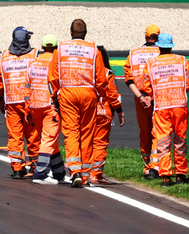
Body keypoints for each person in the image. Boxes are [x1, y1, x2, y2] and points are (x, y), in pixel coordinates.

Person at [49, 18, 112, 187]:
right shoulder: (94, 49)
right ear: (85, 33)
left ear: (70, 32)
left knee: (71, 132)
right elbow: (101, 78)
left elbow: (53, 77)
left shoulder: (60, 49)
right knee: (87, 133)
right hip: (89, 93)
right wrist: (100, 95)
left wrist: (54, 96)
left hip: (68, 92)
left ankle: (75, 171)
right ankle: (84, 174)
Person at [137, 32, 189, 186]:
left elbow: (144, 86)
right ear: (171, 46)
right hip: (180, 105)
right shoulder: (182, 61)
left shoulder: (151, 63)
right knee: (180, 140)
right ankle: (181, 174)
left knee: (163, 141)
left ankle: (166, 177)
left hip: (161, 107)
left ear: (158, 46)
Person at [0, 27, 38, 179]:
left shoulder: (4, 56)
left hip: (11, 101)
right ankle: (34, 165)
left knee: (15, 135)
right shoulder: (34, 54)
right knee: (33, 134)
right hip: (30, 101)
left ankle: (17, 168)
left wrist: (0, 99)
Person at [27, 34, 69, 185]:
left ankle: (58, 172)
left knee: (51, 140)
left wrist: (27, 108)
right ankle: (40, 173)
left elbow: (27, 85)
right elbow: (58, 82)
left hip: (34, 105)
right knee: (49, 138)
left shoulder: (33, 62)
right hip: (50, 105)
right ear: (56, 47)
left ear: (43, 46)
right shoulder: (57, 61)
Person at [123, 24, 163, 176]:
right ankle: (155, 164)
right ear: (157, 37)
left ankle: (147, 165)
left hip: (140, 98)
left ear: (145, 36)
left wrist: (141, 96)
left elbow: (128, 79)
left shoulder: (133, 54)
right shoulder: (162, 53)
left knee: (145, 131)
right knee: (157, 130)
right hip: (158, 98)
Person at [87, 46, 124, 185]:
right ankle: (96, 173)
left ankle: (85, 171)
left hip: (87, 110)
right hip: (103, 111)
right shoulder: (107, 73)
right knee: (100, 143)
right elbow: (112, 95)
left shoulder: (86, 71)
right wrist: (120, 111)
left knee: (86, 141)